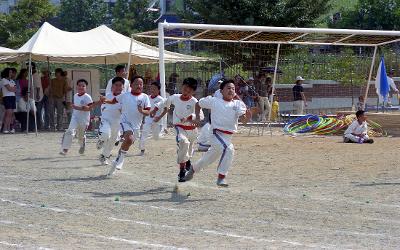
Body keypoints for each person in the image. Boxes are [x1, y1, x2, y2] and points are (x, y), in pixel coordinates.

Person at [183, 79, 251, 186]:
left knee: (209, 158)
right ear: (221, 91)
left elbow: (244, 120)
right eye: (228, 88)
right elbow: (198, 104)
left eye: (233, 89)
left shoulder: (238, 104)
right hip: (216, 133)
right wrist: (197, 117)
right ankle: (221, 177)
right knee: (229, 149)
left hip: (228, 136)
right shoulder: (214, 101)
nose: (231, 90)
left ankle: (193, 169)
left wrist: (248, 116)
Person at [152, 77, 204, 182]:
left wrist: (190, 118)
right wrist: (155, 109)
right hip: (179, 127)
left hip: (192, 130)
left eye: (189, 91)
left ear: (193, 92)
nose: (186, 92)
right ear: (181, 87)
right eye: (185, 89)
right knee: (183, 142)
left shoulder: (195, 101)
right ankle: (182, 170)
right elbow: (164, 102)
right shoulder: (175, 97)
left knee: (189, 149)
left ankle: (188, 160)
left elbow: (200, 116)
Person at [102, 76, 151, 175]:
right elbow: (114, 101)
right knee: (129, 138)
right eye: (137, 83)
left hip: (136, 127)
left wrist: (142, 111)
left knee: (129, 141)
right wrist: (105, 100)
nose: (139, 85)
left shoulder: (145, 97)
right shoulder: (124, 95)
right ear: (131, 85)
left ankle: (118, 159)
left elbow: (148, 111)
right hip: (124, 123)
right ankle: (120, 159)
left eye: (141, 84)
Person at [60, 79, 100, 155]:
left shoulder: (87, 97)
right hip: (75, 117)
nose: (81, 87)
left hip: (84, 119)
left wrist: (77, 107)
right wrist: (72, 107)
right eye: (79, 85)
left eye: (83, 86)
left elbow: (90, 108)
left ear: (86, 87)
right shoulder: (75, 95)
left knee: (80, 136)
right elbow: (74, 106)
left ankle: (82, 144)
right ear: (76, 86)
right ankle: (65, 149)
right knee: (70, 131)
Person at [96, 77, 124, 165]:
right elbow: (101, 105)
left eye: (120, 85)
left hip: (117, 123)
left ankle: (103, 156)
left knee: (112, 141)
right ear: (112, 86)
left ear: (123, 87)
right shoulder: (107, 96)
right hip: (106, 120)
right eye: (116, 85)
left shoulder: (125, 97)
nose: (118, 87)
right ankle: (101, 140)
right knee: (105, 135)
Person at [138, 81, 166, 156]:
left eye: (155, 88)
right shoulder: (147, 98)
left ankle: (162, 132)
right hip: (148, 119)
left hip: (157, 121)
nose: (152, 90)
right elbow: (144, 109)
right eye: (151, 88)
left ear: (158, 90)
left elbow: (167, 109)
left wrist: (159, 117)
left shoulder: (161, 99)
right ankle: (142, 149)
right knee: (144, 133)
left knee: (156, 137)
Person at [1, 68, 17, 134]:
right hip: (7, 97)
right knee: (8, 113)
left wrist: (12, 88)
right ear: (6, 73)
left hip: (13, 97)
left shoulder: (12, 81)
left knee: (11, 114)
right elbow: (10, 89)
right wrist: (12, 88)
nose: (11, 74)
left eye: (11, 72)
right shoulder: (3, 80)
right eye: (10, 72)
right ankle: (5, 128)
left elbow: (15, 89)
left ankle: (8, 128)